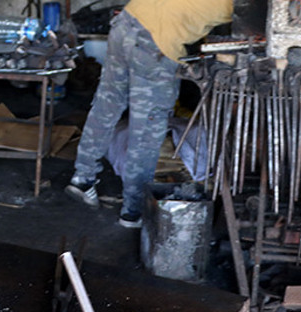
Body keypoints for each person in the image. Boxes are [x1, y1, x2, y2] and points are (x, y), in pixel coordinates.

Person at [65, 0, 232, 228]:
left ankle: (82, 178)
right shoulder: (239, 5)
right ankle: (132, 212)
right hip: (154, 46)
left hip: (125, 25)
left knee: (106, 106)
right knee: (147, 129)